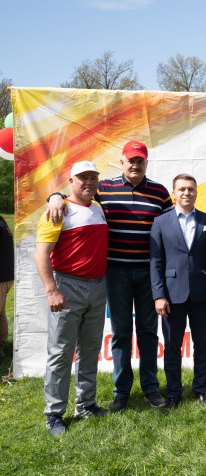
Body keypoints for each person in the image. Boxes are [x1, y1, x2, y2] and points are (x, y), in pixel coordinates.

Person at [46, 140, 171, 412]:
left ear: (146, 163)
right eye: (131, 160)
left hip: (148, 273)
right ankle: (121, 391)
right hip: (115, 273)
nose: (135, 165)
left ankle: (150, 387)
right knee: (121, 333)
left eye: (140, 161)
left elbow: (170, 227)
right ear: (122, 162)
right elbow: (78, 196)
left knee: (148, 332)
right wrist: (54, 195)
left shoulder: (160, 192)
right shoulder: (104, 188)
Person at [36, 161, 108, 435]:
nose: (88, 182)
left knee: (89, 350)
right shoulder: (58, 210)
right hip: (67, 287)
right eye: (82, 177)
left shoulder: (98, 208)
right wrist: (51, 290)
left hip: (97, 287)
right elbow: (41, 254)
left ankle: (86, 405)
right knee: (61, 353)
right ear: (71, 181)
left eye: (93, 177)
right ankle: (54, 414)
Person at [150, 174, 206, 412]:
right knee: (172, 347)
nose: (186, 193)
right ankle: (173, 394)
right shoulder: (161, 222)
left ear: (196, 193)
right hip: (172, 295)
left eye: (190, 189)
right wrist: (159, 295)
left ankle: (200, 389)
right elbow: (156, 262)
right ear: (174, 193)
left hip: (202, 294)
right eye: (181, 189)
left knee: (202, 344)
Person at [0, 215, 12, 359]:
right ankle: (1, 348)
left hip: (2, 278)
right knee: (1, 314)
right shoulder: (2, 223)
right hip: (7, 277)